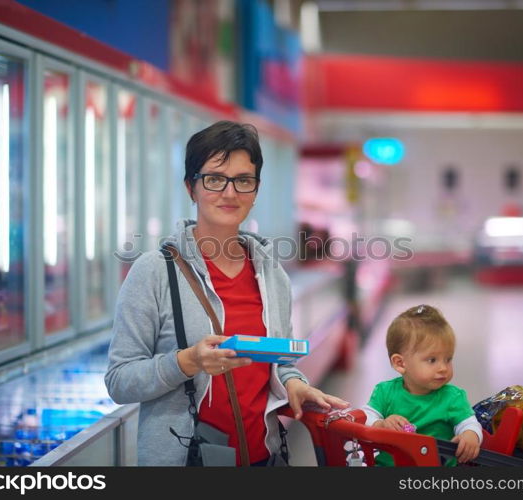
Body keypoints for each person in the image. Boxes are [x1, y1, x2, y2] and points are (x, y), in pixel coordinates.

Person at [104, 120, 349, 466]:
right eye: (215, 179)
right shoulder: (154, 272)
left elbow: (280, 361)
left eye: (243, 181)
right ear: (191, 187)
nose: (230, 193)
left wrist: (293, 383)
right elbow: (119, 381)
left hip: (264, 457)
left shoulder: (270, 273)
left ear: (255, 189)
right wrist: (188, 361)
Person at [362, 304, 481, 465]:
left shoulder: (452, 397)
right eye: (432, 360)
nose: (443, 368)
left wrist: (470, 435)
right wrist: (380, 424)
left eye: (448, 359)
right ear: (400, 363)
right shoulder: (385, 392)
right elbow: (364, 417)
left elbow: (469, 423)